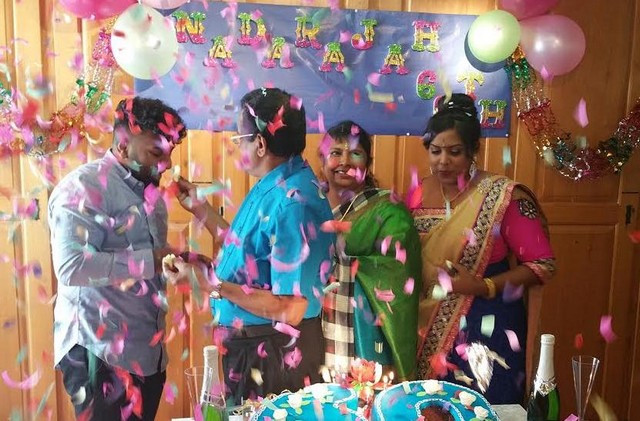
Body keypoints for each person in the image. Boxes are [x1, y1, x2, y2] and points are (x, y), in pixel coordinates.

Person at [165, 87, 335, 404]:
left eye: (238, 138)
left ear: (259, 144)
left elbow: (291, 309)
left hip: (274, 356)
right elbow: (248, 250)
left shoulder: (292, 203)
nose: (236, 146)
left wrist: (213, 284)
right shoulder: (274, 184)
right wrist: (200, 209)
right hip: (257, 348)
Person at [412, 93, 556, 403]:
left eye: (454, 152)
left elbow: (542, 264)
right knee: (430, 408)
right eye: (435, 151)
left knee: (484, 409)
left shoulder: (503, 197)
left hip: (488, 331)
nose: (443, 161)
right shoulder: (417, 193)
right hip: (426, 327)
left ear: (473, 151)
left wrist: (483, 285)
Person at [49, 97, 186, 420]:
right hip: (100, 354)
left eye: (169, 153)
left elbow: (147, 262)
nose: (166, 165)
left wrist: (179, 263)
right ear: (123, 145)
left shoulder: (152, 196)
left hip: (147, 354)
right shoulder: (81, 188)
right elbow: (72, 267)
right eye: (156, 154)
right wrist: (151, 261)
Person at [318, 120, 422, 381]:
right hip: (314, 326)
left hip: (366, 330)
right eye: (335, 153)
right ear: (322, 160)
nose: (345, 162)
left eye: (355, 153)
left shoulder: (389, 209)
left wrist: (338, 261)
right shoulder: (310, 204)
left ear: (368, 162)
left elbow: (397, 268)